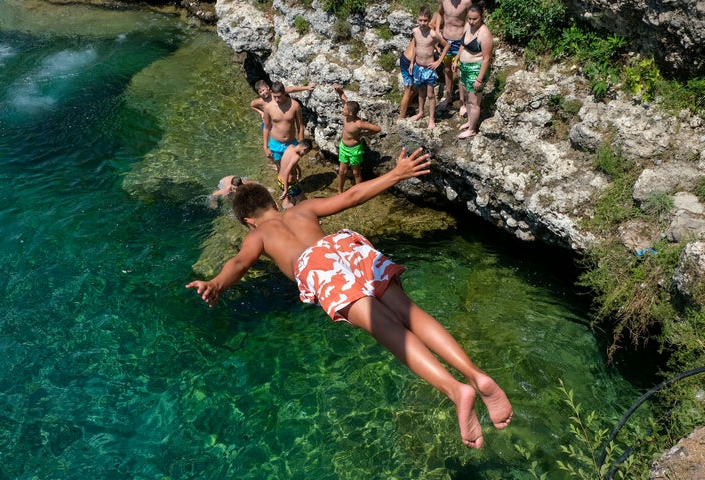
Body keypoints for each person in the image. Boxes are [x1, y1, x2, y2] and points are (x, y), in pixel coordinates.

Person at [186, 147, 513, 448]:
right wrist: (397, 173)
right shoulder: (303, 209)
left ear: (246, 220)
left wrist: (216, 283)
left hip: (319, 268)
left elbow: (240, 263)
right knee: (409, 312)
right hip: (346, 247)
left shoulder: (259, 234)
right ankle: (475, 373)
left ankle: (457, 391)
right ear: (272, 201)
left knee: (389, 331)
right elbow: (354, 195)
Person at [333, 83, 382, 193]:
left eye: (344, 109)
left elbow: (377, 129)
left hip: (355, 150)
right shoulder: (346, 115)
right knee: (342, 171)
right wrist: (339, 90)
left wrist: (363, 134)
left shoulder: (358, 124)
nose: (342, 109)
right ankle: (340, 191)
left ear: (350, 113)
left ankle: (359, 192)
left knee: (356, 172)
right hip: (343, 147)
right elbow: (343, 98)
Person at [454, 2, 493, 139]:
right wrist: (456, 60)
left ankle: (472, 129)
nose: (471, 21)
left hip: (476, 70)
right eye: (469, 18)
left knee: (473, 101)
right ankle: (470, 122)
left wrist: (479, 79)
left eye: (474, 19)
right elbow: (463, 45)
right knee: (467, 97)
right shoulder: (467, 26)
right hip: (464, 67)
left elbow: (487, 59)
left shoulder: (484, 34)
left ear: (481, 17)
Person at [408, 6, 449, 130]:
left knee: (430, 94)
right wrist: (411, 62)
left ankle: (431, 119)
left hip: (429, 68)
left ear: (429, 20)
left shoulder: (433, 34)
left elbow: (446, 46)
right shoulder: (415, 31)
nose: (423, 23)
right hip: (418, 66)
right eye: (420, 20)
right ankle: (420, 112)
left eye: (425, 20)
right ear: (417, 19)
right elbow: (415, 46)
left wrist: (439, 61)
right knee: (420, 91)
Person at [436, 0, 471, 116]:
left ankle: (463, 103)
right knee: (446, 70)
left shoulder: (466, 2)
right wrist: (437, 30)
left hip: (458, 40)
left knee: (458, 72)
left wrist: (466, 36)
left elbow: (471, 19)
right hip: (445, 39)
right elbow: (439, 13)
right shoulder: (444, 1)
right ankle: (448, 97)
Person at [262, 81, 306, 169]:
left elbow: (300, 126)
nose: (277, 100)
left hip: (291, 143)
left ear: (284, 93)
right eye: (274, 97)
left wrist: (301, 144)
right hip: (275, 143)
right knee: (279, 167)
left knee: (292, 166)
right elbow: (266, 128)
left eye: (279, 97)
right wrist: (265, 147)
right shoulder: (268, 107)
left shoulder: (295, 106)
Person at [250, 80, 316, 128]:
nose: (263, 93)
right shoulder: (261, 101)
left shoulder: (276, 93)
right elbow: (252, 105)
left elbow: (292, 89)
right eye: (260, 92)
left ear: (267, 87)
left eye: (263, 90)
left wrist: (307, 87)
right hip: (269, 123)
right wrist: (261, 113)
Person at [277, 139, 313, 209]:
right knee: (305, 202)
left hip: (280, 180)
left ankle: (287, 209)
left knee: (293, 199)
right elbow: (286, 172)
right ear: (305, 149)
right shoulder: (296, 157)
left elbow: (290, 162)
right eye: (306, 153)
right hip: (289, 185)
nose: (304, 155)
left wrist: (299, 170)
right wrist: (286, 190)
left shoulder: (290, 147)